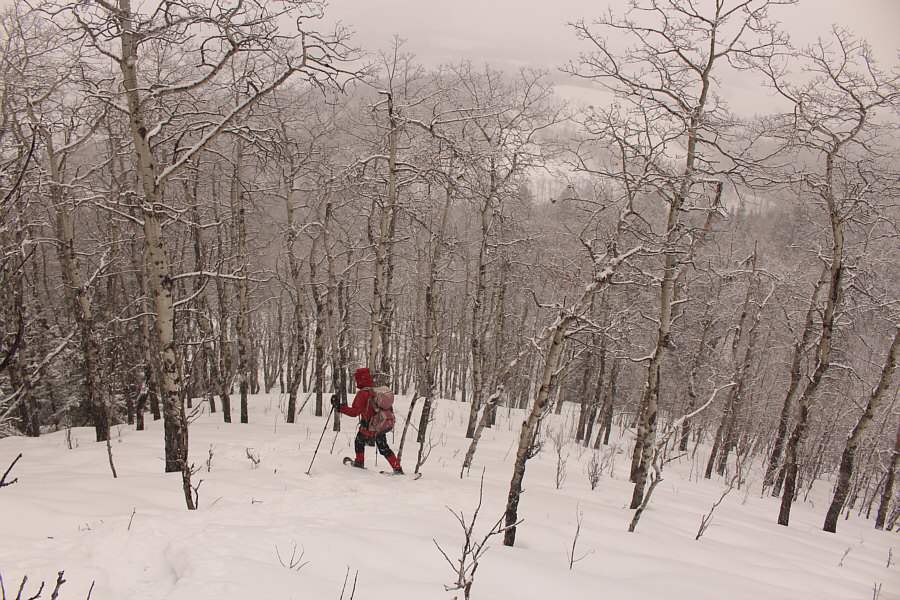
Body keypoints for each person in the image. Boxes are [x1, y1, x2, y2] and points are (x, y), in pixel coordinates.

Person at [332, 367, 403, 474]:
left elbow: (354, 413)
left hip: (368, 426)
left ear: (359, 380)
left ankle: (359, 463)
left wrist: (339, 407)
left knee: (359, 442)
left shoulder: (362, 394)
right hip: (380, 425)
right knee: (383, 448)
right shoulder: (375, 391)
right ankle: (397, 468)